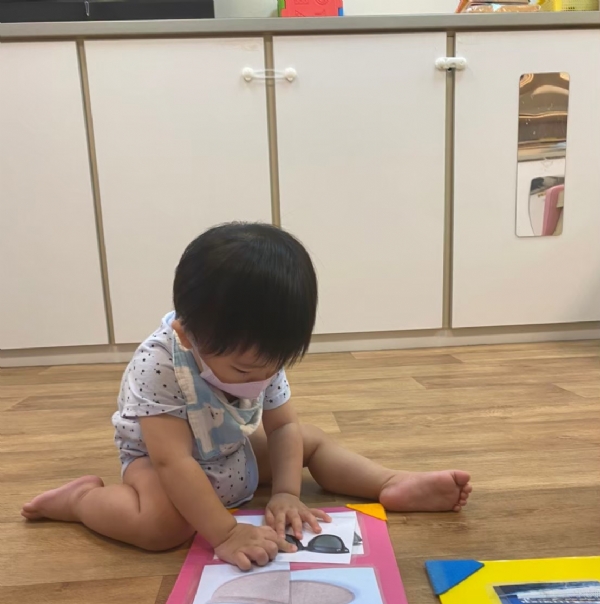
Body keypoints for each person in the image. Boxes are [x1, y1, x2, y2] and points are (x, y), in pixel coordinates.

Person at [22, 223, 472, 569]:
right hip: (160, 461)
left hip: (227, 447)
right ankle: (80, 501)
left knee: (309, 440)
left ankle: (389, 482)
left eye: (273, 366)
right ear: (187, 336)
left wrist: (287, 493)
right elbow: (172, 462)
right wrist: (226, 533)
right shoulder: (158, 364)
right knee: (163, 527)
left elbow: (284, 425)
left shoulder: (260, 352)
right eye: (243, 370)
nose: (260, 379)